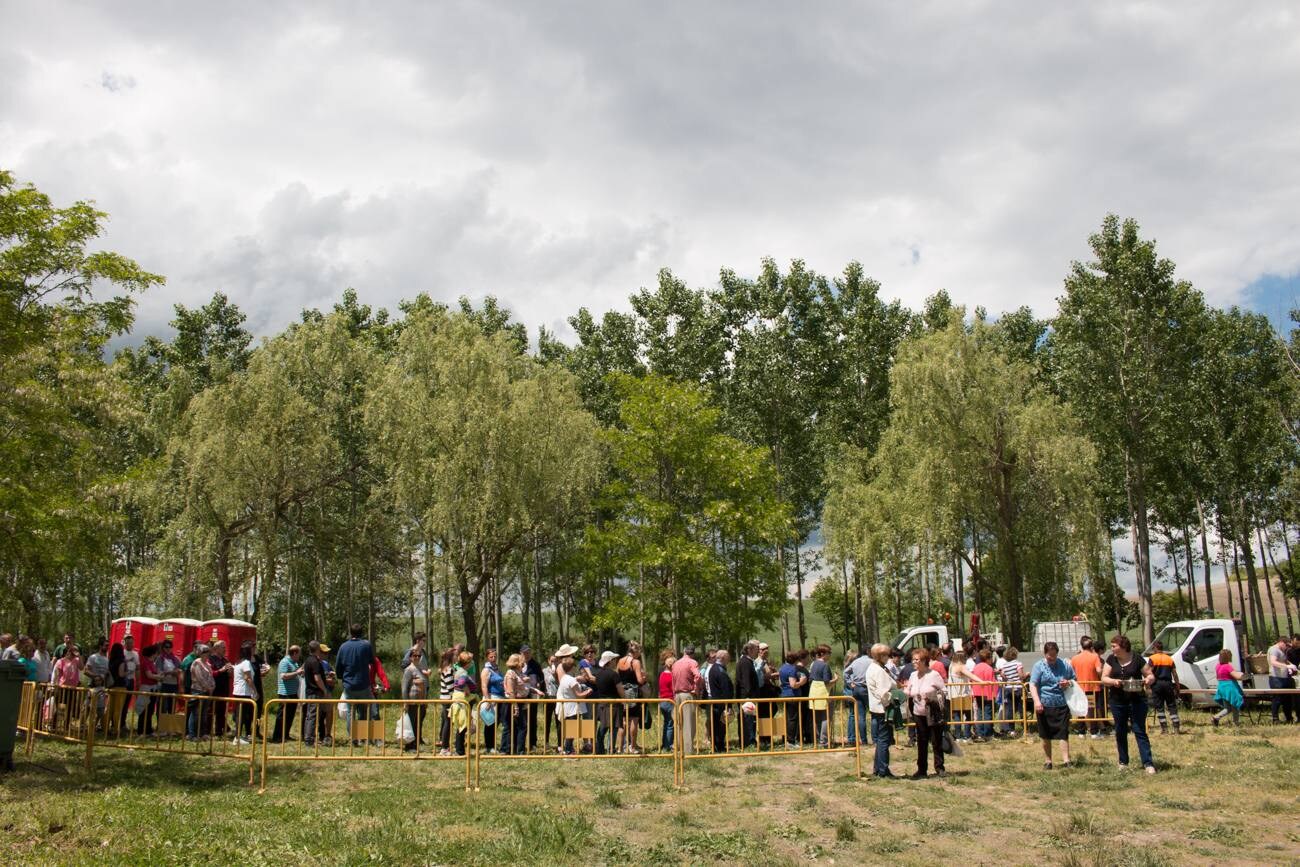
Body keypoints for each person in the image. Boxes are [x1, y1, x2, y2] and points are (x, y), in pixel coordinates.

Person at [1100, 634, 1156, 774]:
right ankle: (1123, 762)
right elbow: (1104, 678)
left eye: (1114, 646)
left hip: (1137, 700)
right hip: (1117, 701)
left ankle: (1148, 763)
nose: (1111, 649)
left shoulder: (1137, 658)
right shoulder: (1111, 659)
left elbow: (1150, 674)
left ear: (1123, 646)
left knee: (1139, 730)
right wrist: (1114, 682)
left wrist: (1149, 679)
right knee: (1120, 731)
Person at [903, 649, 948, 779]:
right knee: (921, 741)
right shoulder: (912, 675)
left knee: (936, 741)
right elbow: (908, 689)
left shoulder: (934, 675)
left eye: (917, 659)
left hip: (933, 712)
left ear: (924, 661)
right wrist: (906, 691)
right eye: (913, 659)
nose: (914, 662)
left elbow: (944, 691)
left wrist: (932, 697)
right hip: (918, 712)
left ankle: (939, 768)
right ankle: (921, 770)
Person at [1029, 641, 1073, 769]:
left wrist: (1068, 683)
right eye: (1049, 656)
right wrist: (1037, 701)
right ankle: (1048, 761)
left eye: (1054, 655)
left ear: (1057, 653)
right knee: (1045, 734)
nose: (1052, 658)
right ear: (1045, 654)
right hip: (1044, 704)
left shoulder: (1065, 665)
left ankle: (1066, 760)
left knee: (1063, 733)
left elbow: (1074, 680)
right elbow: (1033, 684)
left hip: (1062, 703)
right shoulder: (1039, 666)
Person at [335, 624, 376, 746]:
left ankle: (353, 739)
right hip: (363, 684)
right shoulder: (366, 645)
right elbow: (372, 661)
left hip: (349, 686)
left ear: (350, 633)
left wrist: (341, 677)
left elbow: (338, 666)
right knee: (363, 711)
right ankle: (363, 737)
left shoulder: (343, 647)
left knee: (350, 712)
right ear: (361, 633)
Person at [865, 644, 898, 779]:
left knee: (880, 741)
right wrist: (898, 696)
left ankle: (878, 768)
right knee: (884, 740)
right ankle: (883, 770)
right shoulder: (878, 671)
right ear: (880, 656)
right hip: (882, 709)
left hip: (875, 708)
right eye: (885, 655)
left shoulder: (873, 668)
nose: (887, 657)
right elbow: (884, 693)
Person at [555, 652, 591, 755]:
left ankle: (568, 748)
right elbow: (579, 695)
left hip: (567, 708)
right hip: (573, 708)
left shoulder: (565, 678)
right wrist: (588, 691)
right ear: (572, 667)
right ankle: (568, 750)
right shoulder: (571, 680)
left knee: (570, 730)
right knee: (572, 731)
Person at [672, 646, 704, 753]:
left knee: (678, 723)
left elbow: (673, 680)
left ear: (684, 652)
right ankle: (688, 751)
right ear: (693, 653)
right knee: (689, 724)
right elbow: (698, 676)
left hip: (677, 695)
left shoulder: (676, 663)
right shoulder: (692, 662)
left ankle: (678, 748)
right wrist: (696, 688)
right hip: (688, 695)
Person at [617, 641, 647, 753]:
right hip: (633, 693)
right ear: (637, 651)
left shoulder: (620, 661)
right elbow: (639, 680)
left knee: (623, 721)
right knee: (634, 720)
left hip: (622, 693)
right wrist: (645, 678)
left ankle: (620, 748)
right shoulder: (636, 662)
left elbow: (617, 676)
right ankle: (632, 746)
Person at [1147, 641, 1182, 735]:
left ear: (1155, 648)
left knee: (1160, 707)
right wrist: (1177, 687)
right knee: (1171, 706)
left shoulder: (1152, 658)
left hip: (1157, 684)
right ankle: (1176, 728)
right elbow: (1174, 674)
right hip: (1168, 684)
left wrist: (1147, 685)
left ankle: (1164, 729)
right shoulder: (1169, 659)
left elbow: (1149, 672)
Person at [1070, 637, 1103, 738]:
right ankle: (1094, 732)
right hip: (1093, 687)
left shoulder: (1075, 658)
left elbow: (1071, 672)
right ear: (1092, 647)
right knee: (1091, 709)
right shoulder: (1095, 657)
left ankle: (1081, 732)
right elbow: (1098, 670)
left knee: (1080, 709)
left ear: (1082, 646)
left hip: (1079, 688)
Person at [591, 650, 622, 755]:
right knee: (613, 729)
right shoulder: (614, 675)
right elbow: (620, 690)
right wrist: (626, 699)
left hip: (602, 704)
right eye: (615, 659)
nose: (616, 661)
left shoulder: (598, 674)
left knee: (602, 727)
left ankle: (599, 749)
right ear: (611, 661)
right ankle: (610, 749)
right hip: (614, 704)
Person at [270, 645, 303, 743]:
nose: (299, 656)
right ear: (295, 653)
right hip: (285, 693)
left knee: (290, 715)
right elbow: (283, 676)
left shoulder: (294, 662)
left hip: (293, 693)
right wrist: (297, 673)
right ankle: (277, 736)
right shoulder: (284, 662)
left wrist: (300, 671)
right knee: (282, 715)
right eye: (299, 654)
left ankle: (285, 734)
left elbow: (296, 672)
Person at [808, 644, 838, 749]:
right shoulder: (825, 665)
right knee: (825, 718)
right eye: (828, 653)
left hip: (813, 692)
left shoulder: (813, 664)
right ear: (822, 654)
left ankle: (816, 739)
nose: (829, 655)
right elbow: (827, 682)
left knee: (816, 718)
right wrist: (836, 679)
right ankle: (824, 741)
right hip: (823, 693)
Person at [844, 644, 873, 748]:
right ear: (869, 651)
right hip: (867, 689)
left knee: (861, 716)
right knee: (874, 713)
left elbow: (845, 673)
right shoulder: (872, 662)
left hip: (856, 689)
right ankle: (875, 739)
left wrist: (850, 682)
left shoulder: (856, 661)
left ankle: (864, 740)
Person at [736, 640, 763, 749]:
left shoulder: (746, 661)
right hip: (747, 697)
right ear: (749, 650)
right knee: (748, 721)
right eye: (756, 650)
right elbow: (746, 680)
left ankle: (749, 741)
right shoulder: (745, 662)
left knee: (749, 720)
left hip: (748, 696)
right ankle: (749, 742)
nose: (757, 652)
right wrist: (748, 696)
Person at [400, 647, 428, 752]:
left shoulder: (420, 669)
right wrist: (406, 702)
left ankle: (415, 743)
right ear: (410, 657)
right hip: (411, 701)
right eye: (414, 656)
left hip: (420, 702)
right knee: (411, 723)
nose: (417, 658)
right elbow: (404, 688)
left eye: (419, 656)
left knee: (417, 723)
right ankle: (409, 745)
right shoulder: (409, 670)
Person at [502, 653, 530, 755]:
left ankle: (512, 749)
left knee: (518, 727)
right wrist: (515, 707)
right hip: (513, 702)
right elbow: (511, 691)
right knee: (518, 727)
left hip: (520, 702)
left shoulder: (518, 673)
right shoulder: (511, 673)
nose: (523, 662)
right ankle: (516, 750)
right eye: (521, 660)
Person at [707, 649, 734, 753]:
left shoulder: (714, 668)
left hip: (716, 702)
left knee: (718, 726)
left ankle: (717, 746)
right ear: (723, 658)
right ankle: (719, 747)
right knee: (720, 727)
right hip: (721, 704)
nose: (729, 659)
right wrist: (729, 705)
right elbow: (726, 689)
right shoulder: (720, 670)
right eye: (728, 657)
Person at [779, 651, 807, 748]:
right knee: (792, 719)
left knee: (788, 718)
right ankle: (790, 741)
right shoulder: (792, 669)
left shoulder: (782, 667)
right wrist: (802, 682)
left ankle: (786, 739)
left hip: (784, 694)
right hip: (792, 696)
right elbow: (793, 685)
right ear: (796, 660)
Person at [1211, 649, 1246, 726]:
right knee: (1235, 705)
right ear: (1228, 657)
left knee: (1227, 708)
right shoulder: (1228, 666)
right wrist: (1243, 676)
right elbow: (1236, 676)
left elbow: (1218, 677)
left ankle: (1215, 718)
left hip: (1222, 688)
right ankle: (1236, 723)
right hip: (1230, 688)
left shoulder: (1218, 666)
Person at [480, 648, 505, 754]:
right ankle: (489, 746)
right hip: (491, 698)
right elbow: (484, 686)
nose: (493, 658)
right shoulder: (486, 670)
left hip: (500, 698)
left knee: (496, 723)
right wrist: (488, 700)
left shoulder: (497, 668)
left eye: (495, 656)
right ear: (487, 657)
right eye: (491, 657)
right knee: (490, 723)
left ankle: (493, 744)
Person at [520, 645, 545, 750]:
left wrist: (540, 687)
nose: (527, 654)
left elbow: (541, 678)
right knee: (522, 721)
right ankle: (519, 744)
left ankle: (532, 743)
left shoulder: (535, 665)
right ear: (521, 653)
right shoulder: (518, 664)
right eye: (524, 652)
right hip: (520, 696)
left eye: (528, 652)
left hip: (533, 695)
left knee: (532, 720)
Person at [187, 644, 215, 740]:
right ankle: (192, 734)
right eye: (206, 652)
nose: (208, 654)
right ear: (201, 653)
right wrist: (208, 687)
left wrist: (212, 687)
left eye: (208, 652)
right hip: (198, 691)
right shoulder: (196, 663)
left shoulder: (207, 663)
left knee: (204, 713)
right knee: (195, 713)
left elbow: (210, 677)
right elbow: (200, 678)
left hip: (207, 692)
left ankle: (202, 733)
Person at [969, 649, 998, 742]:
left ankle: (980, 733)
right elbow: (992, 682)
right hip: (988, 693)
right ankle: (988, 734)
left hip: (977, 693)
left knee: (980, 713)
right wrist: (995, 694)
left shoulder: (976, 667)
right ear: (988, 658)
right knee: (988, 713)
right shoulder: (989, 668)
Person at [1267, 635, 1297, 724]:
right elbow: (1273, 662)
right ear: (1281, 642)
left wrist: (1290, 666)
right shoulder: (1274, 650)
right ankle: (1275, 719)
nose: (1287, 647)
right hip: (1276, 678)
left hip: (1284, 678)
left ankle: (1289, 718)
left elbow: (1283, 661)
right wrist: (1287, 666)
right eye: (1286, 645)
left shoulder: (1282, 650)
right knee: (1277, 699)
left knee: (1287, 699)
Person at [997, 646, 1026, 736]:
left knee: (1010, 709)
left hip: (1008, 688)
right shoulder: (1018, 664)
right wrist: (1026, 675)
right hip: (1018, 687)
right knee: (1021, 708)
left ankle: (1011, 729)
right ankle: (1025, 727)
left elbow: (1004, 676)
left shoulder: (1005, 665)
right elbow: (1021, 676)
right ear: (1015, 654)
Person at [134, 644, 160, 736]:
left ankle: (148, 730)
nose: (157, 655)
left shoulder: (152, 663)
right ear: (153, 653)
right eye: (157, 653)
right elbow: (149, 675)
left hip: (153, 688)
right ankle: (141, 730)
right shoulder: (145, 662)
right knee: (144, 710)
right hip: (146, 688)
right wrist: (159, 677)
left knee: (150, 710)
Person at [947, 650, 973, 742]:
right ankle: (967, 736)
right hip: (963, 694)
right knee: (968, 715)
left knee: (957, 716)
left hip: (953, 694)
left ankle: (958, 736)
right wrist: (983, 682)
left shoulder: (951, 666)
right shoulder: (960, 666)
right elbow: (971, 676)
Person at [437, 648, 456, 755]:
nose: (457, 657)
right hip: (448, 700)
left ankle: (445, 746)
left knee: (446, 722)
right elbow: (450, 688)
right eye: (455, 655)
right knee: (447, 723)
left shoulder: (448, 669)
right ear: (451, 658)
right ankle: (444, 747)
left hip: (446, 699)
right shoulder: (449, 670)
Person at [156, 639, 180, 715]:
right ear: (163, 648)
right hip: (163, 685)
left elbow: (179, 672)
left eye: (170, 647)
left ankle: (169, 725)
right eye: (166, 647)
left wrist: (173, 673)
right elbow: (159, 673)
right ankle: (160, 725)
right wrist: (170, 672)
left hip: (174, 685)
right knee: (162, 707)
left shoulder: (176, 659)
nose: (168, 649)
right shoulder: (160, 659)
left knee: (172, 707)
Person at [658, 651, 676, 752]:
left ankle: (664, 744)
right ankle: (668, 745)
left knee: (666, 723)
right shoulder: (670, 676)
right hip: (670, 701)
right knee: (670, 725)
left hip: (663, 701)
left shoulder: (662, 674)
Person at [841, 649, 859, 747]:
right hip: (851, 693)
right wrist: (851, 684)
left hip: (849, 693)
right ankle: (852, 738)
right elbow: (849, 680)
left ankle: (853, 737)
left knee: (853, 715)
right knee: (853, 715)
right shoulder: (850, 668)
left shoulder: (847, 667)